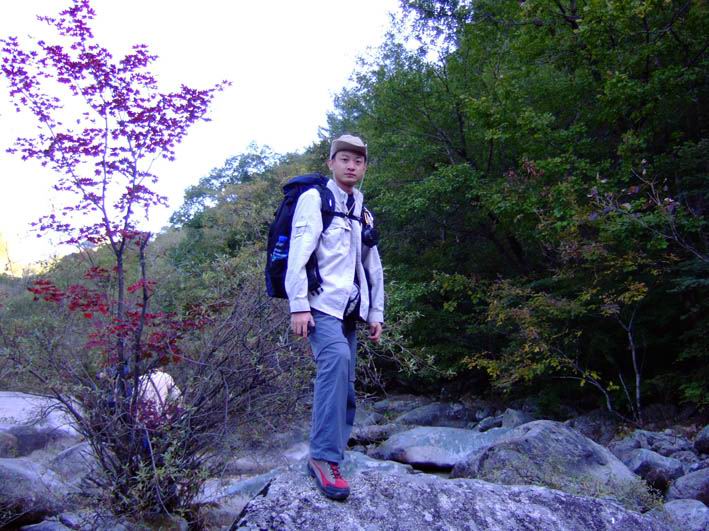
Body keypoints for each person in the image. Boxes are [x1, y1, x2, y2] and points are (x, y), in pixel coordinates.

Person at [285, 134, 384, 501]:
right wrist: (298, 304)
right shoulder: (315, 200)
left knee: (348, 383)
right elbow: (299, 252)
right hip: (319, 305)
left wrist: (375, 312)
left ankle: (334, 455)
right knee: (337, 362)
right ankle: (323, 458)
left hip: (349, 310)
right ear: (331, 163)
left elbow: (372, 265)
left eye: (358, 161)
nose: (351, 166)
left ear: (364, 167)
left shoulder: (362, 209)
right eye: (344, 159)